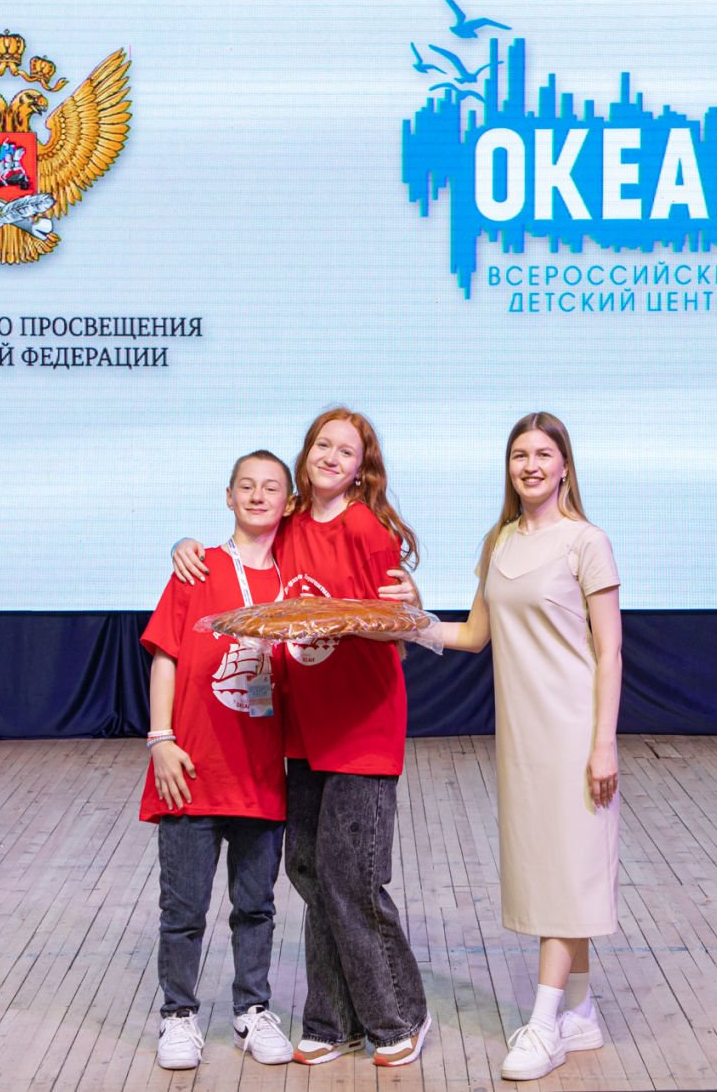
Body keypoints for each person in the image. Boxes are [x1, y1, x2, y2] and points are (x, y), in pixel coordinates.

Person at [173, 408, 432, 1067]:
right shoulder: (288, 525)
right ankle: (331, 1019)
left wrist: (395, 604)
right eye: (323, 443)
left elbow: (400, 620)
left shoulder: (366, 527)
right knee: (311, 872)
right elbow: (245, 545)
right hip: (305, 734)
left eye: (347, 450)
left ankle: (398, 1014)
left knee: (353, 876)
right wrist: (186, 545)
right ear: (307, 452)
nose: (331, 456)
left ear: (361, 468)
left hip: (362, 729)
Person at [430, 411, 623, 1081]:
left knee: (569, 870)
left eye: (543, 454)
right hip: (521, 737)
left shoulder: (587, 542)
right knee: (552, 867)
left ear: (565, 465)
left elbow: (610, 650)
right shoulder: (501, 541)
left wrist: (604, 743)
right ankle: (581, 1010)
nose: (531, 465)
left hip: (574, 732)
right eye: (520, 455)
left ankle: (543, 1024)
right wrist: (409, 624)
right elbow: (473, 635)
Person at [139, 450, 297, 1070]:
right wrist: (161, 739)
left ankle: (251, 1010)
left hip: (260, 772)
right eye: (246, 486)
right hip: (193, 768)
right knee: (183, 910)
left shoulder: (295, 581)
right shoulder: (197, 567)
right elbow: (166, 657)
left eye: (271, 488)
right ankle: (178, 1015)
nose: (258, 496)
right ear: (228, 496)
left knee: (256, 906)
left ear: (289, 502)